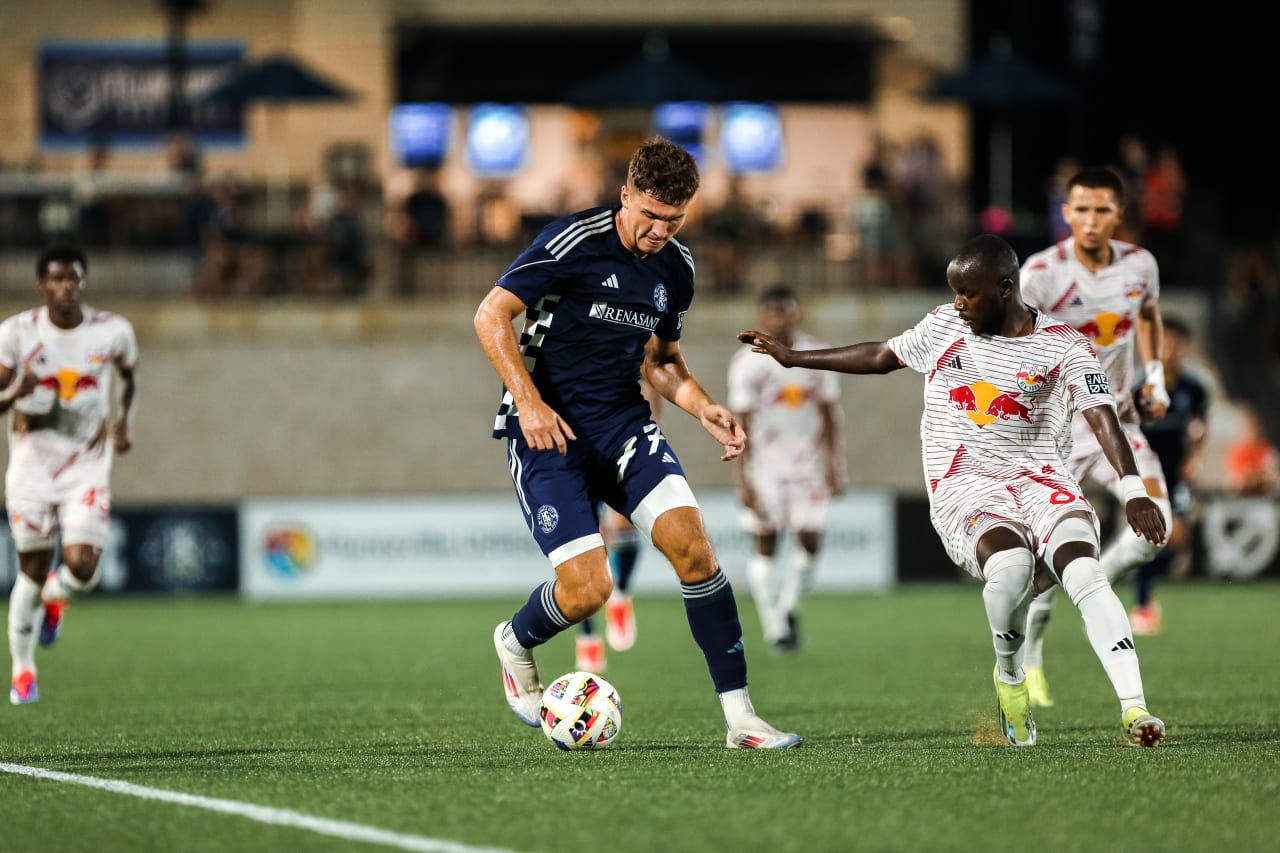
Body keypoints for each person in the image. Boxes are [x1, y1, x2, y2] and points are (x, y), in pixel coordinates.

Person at [739, 234, 1168, 748]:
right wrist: (794, 358)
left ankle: (1135, 709)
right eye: (955, 292)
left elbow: (1104, 421)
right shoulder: (945, 326)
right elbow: (881, 355)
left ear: (1006, 290)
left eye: (969, 293)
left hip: (1042, 479)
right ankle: (1010, 678)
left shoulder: (1065, 345)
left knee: (1084, 568)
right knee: (1009, 571)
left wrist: (1133, 490)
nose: (958, 304)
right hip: (963, 484)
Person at [474, 136, 800, 749]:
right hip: (549, 433)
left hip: (623, 425)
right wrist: (529, 401)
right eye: (649, 216)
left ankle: (742, 720)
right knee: (588, 589)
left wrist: (704, 407)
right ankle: (515, 639)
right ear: (624, 196)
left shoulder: (676, 268)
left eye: (673, 220)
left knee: (695, 551)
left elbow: (663, 359)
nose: (658, 231)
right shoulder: (572, 242)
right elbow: (490, 316)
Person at [1018, 166, 1172, 709]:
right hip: (1055, 434)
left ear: (1119, 213)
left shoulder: (1140, 264)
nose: (1090, 220)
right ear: (1065, 212)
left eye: (1102, 209)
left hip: (1119, 426)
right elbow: (1016, 348)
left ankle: (1092, 582)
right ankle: (1030, 658)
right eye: (1080, 209)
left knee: (1160, 525)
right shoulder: (1040, 274)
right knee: (1039, 565)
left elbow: (1149, 316)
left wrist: (1153, 378)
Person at [1, 245, 138, 705]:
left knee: (83, 566)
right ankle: (23, 671)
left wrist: (123, 423)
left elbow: (129, 375)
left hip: (86, 465)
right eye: (56, 280)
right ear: (41, 286)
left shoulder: (111, 331)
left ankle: (57, 598)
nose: (65, 287)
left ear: (84, 283)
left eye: (73, 278)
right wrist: (15, 391)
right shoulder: (16, 334)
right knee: (31, 571)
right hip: (32, 470)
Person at [727, 284, 845, 653]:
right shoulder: (746, 362)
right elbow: (738, 423)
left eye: (786, 309)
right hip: (764, 466)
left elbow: (830, 413)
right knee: (766, 544)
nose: (779, 316)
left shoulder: (815, 354)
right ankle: (776, 627)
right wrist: (742, 479)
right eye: (772, 310)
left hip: (808, 464)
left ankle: (789, 605)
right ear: (761, 316)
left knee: (810, 539)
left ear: (797, 312)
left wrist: (834, 465)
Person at [1127, 314, 1210, 635]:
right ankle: (1144, 605)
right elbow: (1124, 425)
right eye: (1166, 343)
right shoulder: (1139, 386)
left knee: (1179, 540)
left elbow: (1202, 424)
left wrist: (1195, 457)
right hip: (1147, 471)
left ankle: (1141, 582)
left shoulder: (1194, 388)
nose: (1171, 350)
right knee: (1156, 535)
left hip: (1176, 472)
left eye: (1178, 344)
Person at [574, 376, 663, 673]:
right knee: (578, 545)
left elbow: (651, 388)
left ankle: (621, 594)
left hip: (619, 439)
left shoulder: (623, 344)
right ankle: (587, 636)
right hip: (572, 448)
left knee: (625, 523)